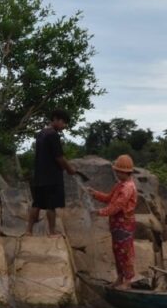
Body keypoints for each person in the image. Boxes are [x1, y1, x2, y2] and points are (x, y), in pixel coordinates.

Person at [87, 155, 138, 289]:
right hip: (116, 225)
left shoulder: (128, 187)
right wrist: (95, 194)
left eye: (117, 171)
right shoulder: (120, 185)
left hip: (125, 225)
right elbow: (110, 198)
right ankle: (120, 277)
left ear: (124, 172)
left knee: (126, 252)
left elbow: (117, 206)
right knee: (117, 251)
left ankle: (127, 281)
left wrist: (100, 212)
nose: (116, 173)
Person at [27, 109, 78, 237]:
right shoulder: (53, 135)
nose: (64, 126)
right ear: (55, 119)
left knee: (37, 203)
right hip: (51, 176)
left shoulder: (41, 134)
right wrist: (69, 169)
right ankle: (52, 231)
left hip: (39, 175)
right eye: (63, 122)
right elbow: (59, 157)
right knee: (51, 205)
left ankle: (28, 231)